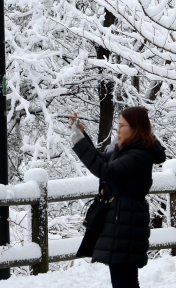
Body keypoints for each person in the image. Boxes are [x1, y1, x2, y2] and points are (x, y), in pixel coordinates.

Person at [68, 106, 167, 288]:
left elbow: (104, 170)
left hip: (127, 225)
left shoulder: (138, 156)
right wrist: (82, 135)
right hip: (123, 223)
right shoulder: (127, 151)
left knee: (124, 282)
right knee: (124, 281)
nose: (117, 130)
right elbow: (100, 158)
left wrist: (79, 141)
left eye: (122, 126)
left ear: (135, 128)